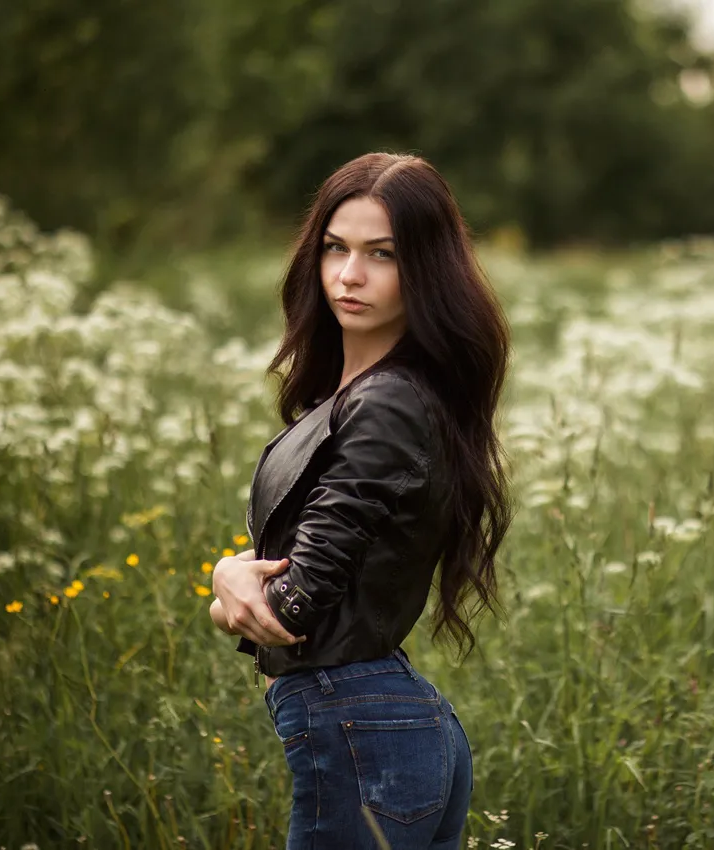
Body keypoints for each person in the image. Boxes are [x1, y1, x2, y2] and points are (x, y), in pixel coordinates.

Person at [206, 152, 513, 849]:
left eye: (383, 255)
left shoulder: (387, 405)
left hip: (364, 728)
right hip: (387, 727)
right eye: (336, 248)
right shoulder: (362, 398)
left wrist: (226, 581)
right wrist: (234, 578)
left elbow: (287, 608)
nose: (350, 274)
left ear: (426, 270)